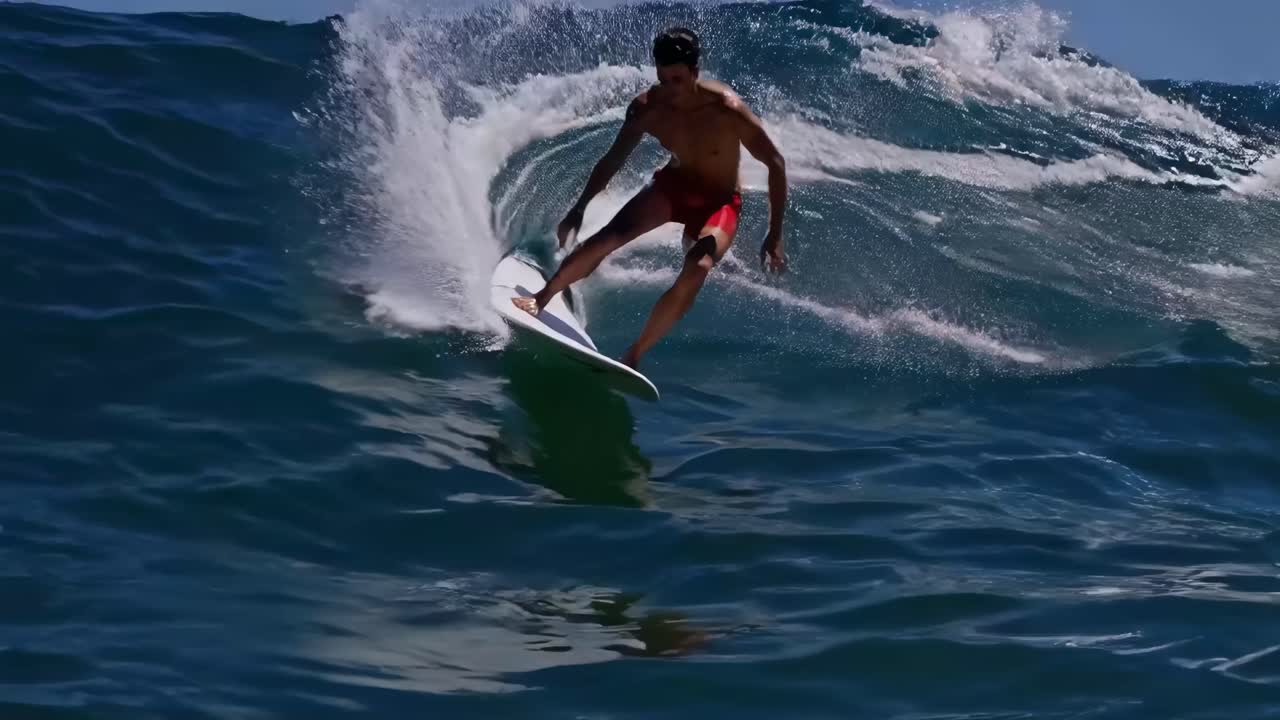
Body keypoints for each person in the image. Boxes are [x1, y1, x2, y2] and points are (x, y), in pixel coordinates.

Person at [512, 26, 788, 369]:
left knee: (698, 267)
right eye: (662, 78)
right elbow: (614, 159)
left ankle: (635, 354)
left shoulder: (727, 109)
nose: (669, 89)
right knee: (605, 240)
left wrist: (774, 235)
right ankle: (544, 296)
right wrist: (579, 208)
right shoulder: (647, 109)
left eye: (677, 80)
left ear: (695, 73)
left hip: (719, 203)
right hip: (672, 187)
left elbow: (775, 164)